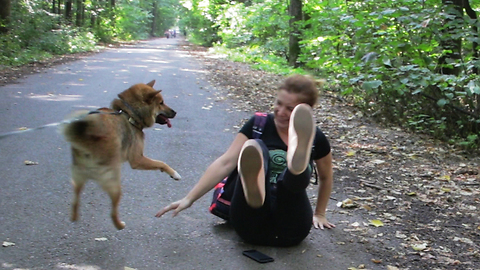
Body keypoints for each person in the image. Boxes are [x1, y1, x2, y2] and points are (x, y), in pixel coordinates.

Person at [156, 74, 335, 247]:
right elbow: (226, 162)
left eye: (290, 109)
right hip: (251, 224)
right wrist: (189, 198)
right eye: (278, 104)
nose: (281, 112)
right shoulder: (259, 124)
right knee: (256, 147)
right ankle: (255, 192)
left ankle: (296, 165)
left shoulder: (315, 137)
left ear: (304, 111)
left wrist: (320, 214)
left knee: (292, 181)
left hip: (289, 229)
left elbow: (326, 177)